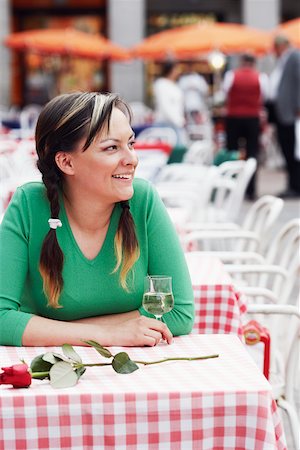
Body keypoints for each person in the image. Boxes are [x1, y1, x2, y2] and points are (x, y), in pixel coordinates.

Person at [0, 92, 195, 347]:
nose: (132, 159)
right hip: (47, 378)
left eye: (131, 144)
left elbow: (178, 312)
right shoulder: (29, 205)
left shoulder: (143, 200)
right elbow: (2, 319)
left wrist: (53, 330)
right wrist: (111, 335)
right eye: (112, 147)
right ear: (66, 161)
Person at [223, 53, 269, 200]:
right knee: (252, 154)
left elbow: (225, 93)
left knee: (232, 153)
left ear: (242, 62)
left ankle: (231, 187)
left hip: (233, 117)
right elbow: (265, 96)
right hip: (252, 118)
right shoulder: (261, 77)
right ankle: (251, 190)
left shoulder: (231, 75)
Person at [267, 35, 300, 198]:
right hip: (283, 113)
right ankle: (292, 184)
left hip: (291, 113)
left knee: (292, 150)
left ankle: (295, 186)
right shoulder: (284, 60)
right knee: (287, 150)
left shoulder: (294, 56)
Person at [152, 61, 187, 146]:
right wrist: (178, 121)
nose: (178, 71)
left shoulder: (174, 84)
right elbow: (165, 106)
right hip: (166, 124)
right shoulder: (161, 84)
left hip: (177, 123)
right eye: (176, 69)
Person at [178, 62, 210, 126]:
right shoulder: (183, 79)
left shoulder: (199, 79)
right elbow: (178, 92)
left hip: (197, 106)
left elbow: (205, 90)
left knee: (198, 125)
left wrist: (195, 87)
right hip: (185, 107)